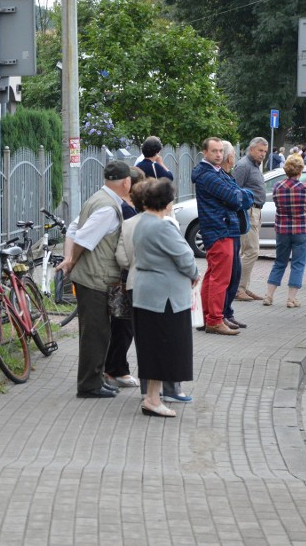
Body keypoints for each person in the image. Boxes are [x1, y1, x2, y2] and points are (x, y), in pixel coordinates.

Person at [57, 161, 132, 398]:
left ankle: (97, 379)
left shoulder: (99, 198)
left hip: (93, 277)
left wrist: (70, 258)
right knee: (95, 334)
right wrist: (71, 260)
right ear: (126, 182)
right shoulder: (108, 208)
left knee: (100, 332)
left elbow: (72, 228)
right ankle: (89, 385)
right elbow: (83, 238)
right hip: (94, 278)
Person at [132, 179, 199, 418]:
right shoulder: (162, 226)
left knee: (153, 347)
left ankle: (153, 397)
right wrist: (194, 274)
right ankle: (152, 399)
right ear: (166, 202)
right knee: (163, 348)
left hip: (147, 293)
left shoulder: (143, 222)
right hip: (165, 298)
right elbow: (186, 258)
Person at [191, 137, 254, 335]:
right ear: (204, 153)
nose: (219, 155)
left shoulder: (215, 172)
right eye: (214, 151)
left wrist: (242, 196)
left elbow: (239, 195)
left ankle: (207, 317)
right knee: (220, 278)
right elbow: (235, 198)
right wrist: (241, 196)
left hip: (223, 228)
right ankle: (215, 320)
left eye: (221, 151)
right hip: (220, 229)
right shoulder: (207, 175)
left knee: (213, 275)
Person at [103, 166, 145, 389]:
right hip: (123, 274)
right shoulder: (125, 210)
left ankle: (115, 366)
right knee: (123, 323)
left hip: (124, 272)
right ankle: (115, 368)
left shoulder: (127, 207)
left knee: (123, 323)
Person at [264, 154, 306, 307]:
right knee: (298, 264)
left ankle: (269, 295)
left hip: (282, 229)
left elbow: (275, 202)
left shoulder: (277, 187)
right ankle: (291, 298)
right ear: (300, 171)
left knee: (279, 262)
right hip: (301, 229)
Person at [232, 136, 268, 302]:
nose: (263, 154)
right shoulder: (244, 165)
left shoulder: (255, 166)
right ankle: (239, 288)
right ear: (251, 149)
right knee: (251, 251)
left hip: (256, 211)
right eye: (260, 150)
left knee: (249, 251)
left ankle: (243, 286)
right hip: (247, 211)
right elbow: (235, 190)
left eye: (265, 152)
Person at [220, 140, 248, 330]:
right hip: (227, 229)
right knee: (228, 275)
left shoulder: (226, 175)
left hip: (234, 227)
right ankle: (221, 313)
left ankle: (227, 312)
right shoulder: (220, 176)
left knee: (234, 273)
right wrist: (244, 195)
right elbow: (237, 198)